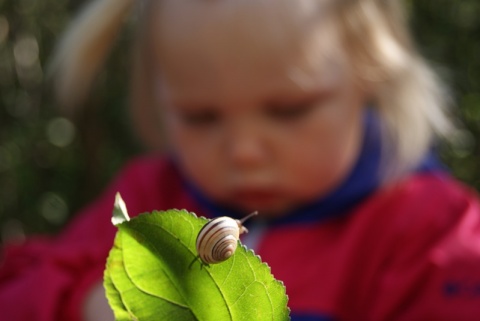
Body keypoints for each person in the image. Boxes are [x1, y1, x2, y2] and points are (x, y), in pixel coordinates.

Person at [1, 0, 480, 320]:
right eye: (201, 117)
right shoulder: (147, 200)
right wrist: (95, 304)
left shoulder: (432, 234)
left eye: (290, 110)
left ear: (371, 77)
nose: (244, 151)